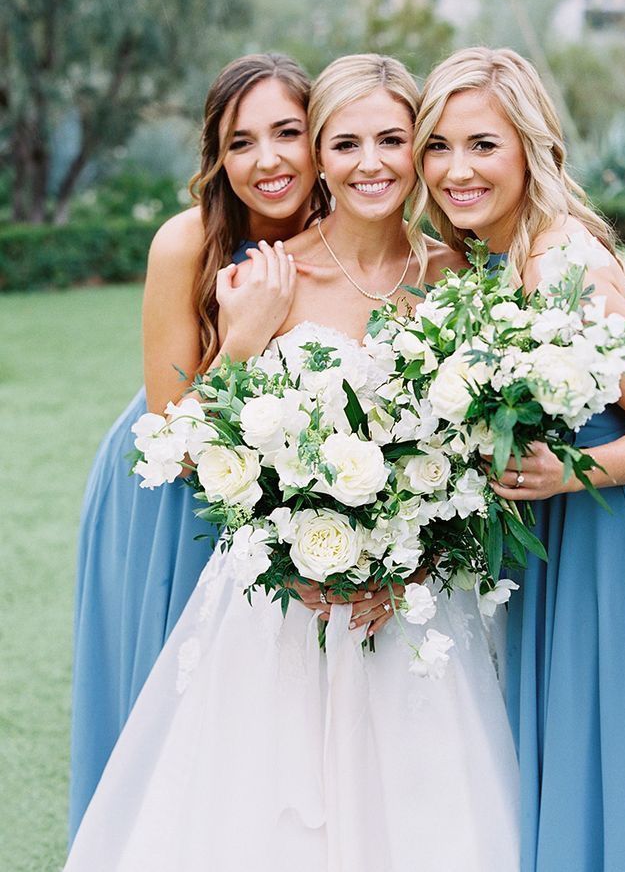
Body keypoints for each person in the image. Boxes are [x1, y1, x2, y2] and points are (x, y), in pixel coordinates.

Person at [63, 53, 521, 872]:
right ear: (325, 150)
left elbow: (477, 461)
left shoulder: (464, 280)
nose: (370, 161)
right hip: (272, 591)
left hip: (413, 601)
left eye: (392, 139)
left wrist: (410, 568)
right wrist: (293, 551)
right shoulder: (255, 276)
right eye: (346, 142)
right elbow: (196, 442)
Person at [414, 46, 625, 872]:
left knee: (606, 778)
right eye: (438, 146)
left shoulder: (568, 264)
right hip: (540, 557)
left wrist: (571, 472)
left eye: (482, 144)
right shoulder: (484, 260)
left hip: (609, 549)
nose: (456, 169)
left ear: (531, 147)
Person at [69, 53, 327, 841]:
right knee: (166, 705)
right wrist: (244, 337)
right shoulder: (188, 243)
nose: (268, 160)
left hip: (280, 500)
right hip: (167, 499)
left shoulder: (347, 235)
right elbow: (172, 437)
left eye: (288, 132)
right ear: (217, 156)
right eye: (241, 141)